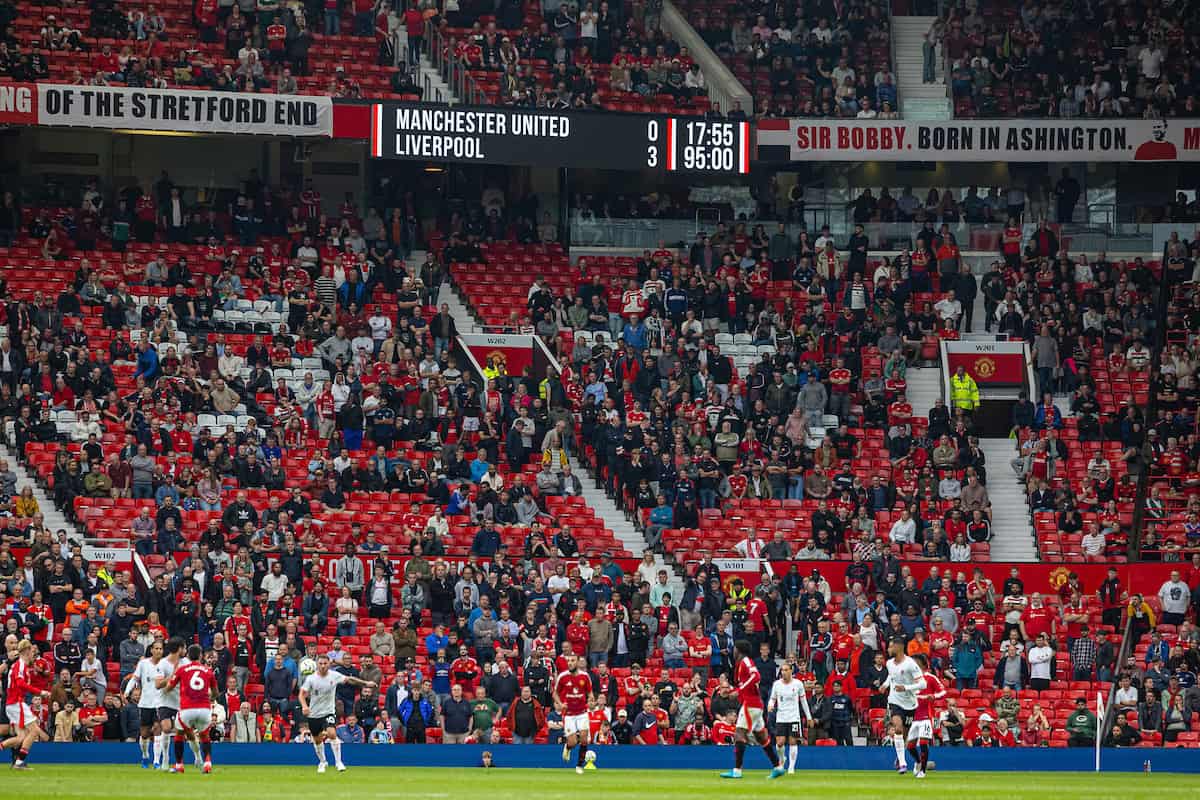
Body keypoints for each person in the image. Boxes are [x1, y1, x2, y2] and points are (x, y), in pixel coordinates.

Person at [719, 639, 785, 779]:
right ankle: (778, 766)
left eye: (735, 648)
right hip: (754, 704)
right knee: (762, 738)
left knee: (739, 734)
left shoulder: (746, 661)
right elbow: (746, 684)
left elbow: (756, 676)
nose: (733, 651)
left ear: (739, 650)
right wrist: (731, 692)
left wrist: (739, 690)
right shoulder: (741, 664)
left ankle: (737, 770)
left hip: (751, 704)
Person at [299, 654, 377, 773]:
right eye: (321, 663)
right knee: (318, 739)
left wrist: (365, 683)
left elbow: (350, 679)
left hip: (329, 711)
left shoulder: (334, 675)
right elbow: (301, 694)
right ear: (317, 664)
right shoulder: (311, 679)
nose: (323, 666)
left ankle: (338, 762)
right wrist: (304, 706)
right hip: (314, 713)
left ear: (329, 664)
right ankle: (322, 762)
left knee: (331, 733)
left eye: (325, 663)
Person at [166, 644, 216, 773]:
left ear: (188, 655)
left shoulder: (182, 669)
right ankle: (208, 763)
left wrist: (164, 691)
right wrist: (211, 699)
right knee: (205, 736)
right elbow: (215, 692)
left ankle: (179, 765)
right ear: (200, 656)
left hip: (187, 708)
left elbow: (170, 687)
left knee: (179, 734)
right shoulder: (208, 671)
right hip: (204, 708)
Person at [1, 639, 50, 769]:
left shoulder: (21, 665)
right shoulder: (20, 665)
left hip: (13, 703)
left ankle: (18, 762)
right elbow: (20, 683)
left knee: (21, 737)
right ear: (27, 650)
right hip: (16, 703)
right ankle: (19, 762)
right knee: (34, 731)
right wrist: (41, 692)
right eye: (31, 651)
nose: (32, 654)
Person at [881, 638, 924, 774]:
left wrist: (905, 688)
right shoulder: (889, 663)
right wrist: (885, 685)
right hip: (894, 701)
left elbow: (923, 684)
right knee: (897, 728)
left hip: (910, 704)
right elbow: (891, 676)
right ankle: (903, 763)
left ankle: (902, 758)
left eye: (890, 647)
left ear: (899, 647)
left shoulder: (910, 664)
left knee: (905, 736)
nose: (888, 650)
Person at [767, 662, 813, 774]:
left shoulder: (798, 684)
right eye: (782, 670)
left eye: (786, 670)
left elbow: (803, 701)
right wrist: (770, 705)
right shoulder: (777, 684)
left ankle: (791, 767)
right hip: (781, 717)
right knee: (779, 743)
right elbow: (773, 698)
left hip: (794, 717)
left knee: (793, 742)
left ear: (791, 671)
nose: (784, 672)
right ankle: (782, 759)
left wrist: (809, 717)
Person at [553, 653, 595, 773]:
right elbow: (555, 693)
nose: (570, 663)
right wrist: (560, 704)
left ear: (577, 662)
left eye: (573, 660)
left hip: (582, 712)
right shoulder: (563, 677)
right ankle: (568, 747)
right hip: (569, 714)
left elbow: (590, 692)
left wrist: (591, 698)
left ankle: (579, 765)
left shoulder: (585, 676)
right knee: (573, 742)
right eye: (569, 661)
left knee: (584, 739)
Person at [906, 654, 944, 779]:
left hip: (926, 715)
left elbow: (943, 691)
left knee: (923, 742)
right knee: (910, 746)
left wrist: (934, 696)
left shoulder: (930, 678)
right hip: (913, 716)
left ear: (922, 664)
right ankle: (917, 762)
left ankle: (922, 770)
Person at [129, 640, 164, 768]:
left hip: (159, 704)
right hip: (145, 704)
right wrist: (127, 692)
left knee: (157, 730)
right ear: (152, 650)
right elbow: (135, 678)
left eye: (161, 649)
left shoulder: (166, 664)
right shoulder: (143, 664)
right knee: (144, 734)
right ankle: (145, 755)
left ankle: (156, 761)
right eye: (157, 648)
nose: (159, 651)